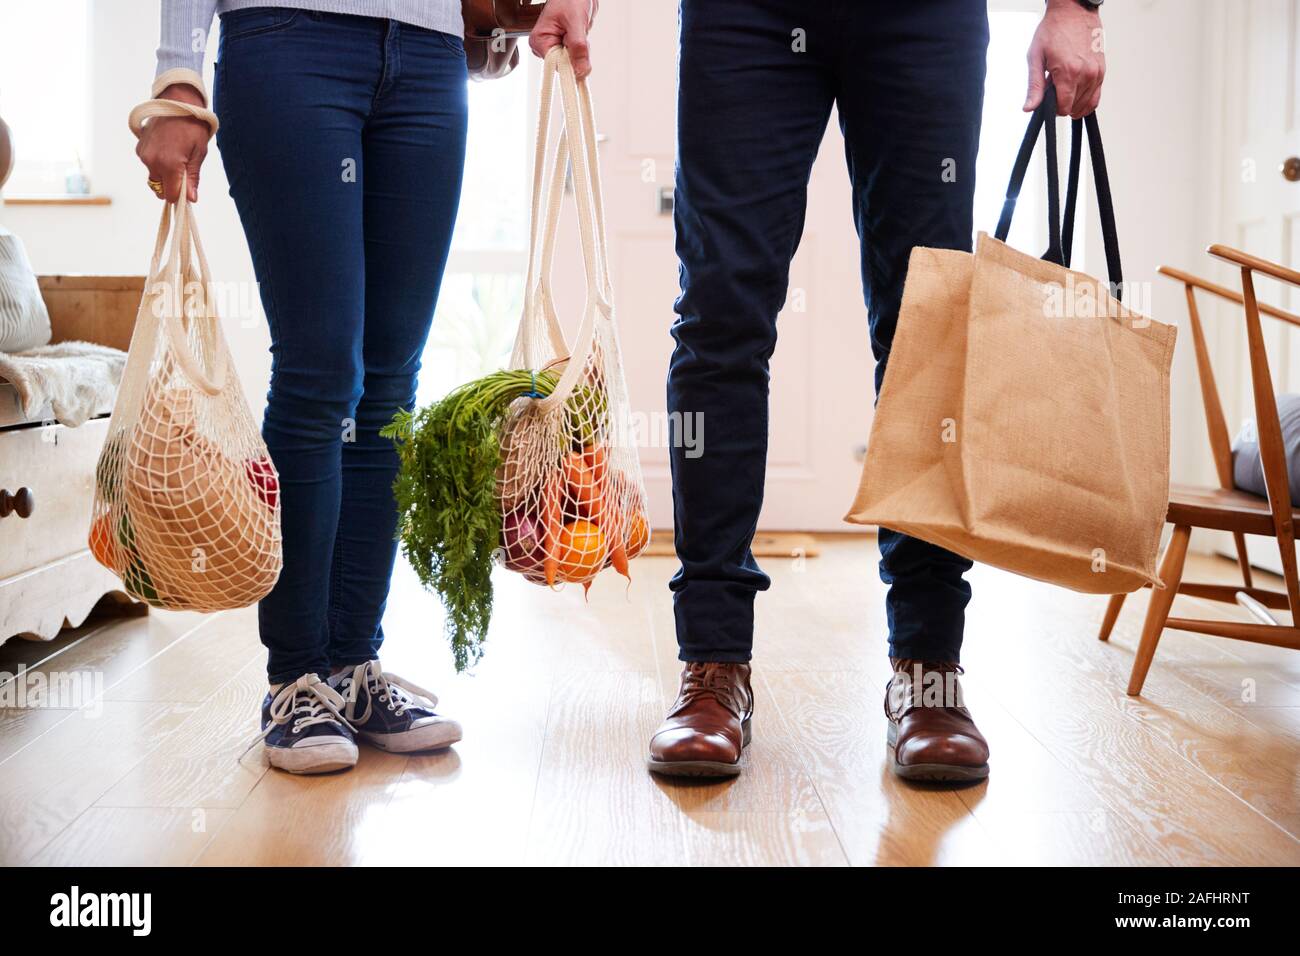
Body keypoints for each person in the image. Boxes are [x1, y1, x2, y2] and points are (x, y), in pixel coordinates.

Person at [649, 0, 1107, 780]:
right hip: (742, 14)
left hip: (924, 19)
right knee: (718, 315)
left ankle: (929, 668)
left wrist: (1074, 5)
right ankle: (713, 666)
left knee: (926, 324)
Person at [136, 0, 595, 775]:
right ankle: (297, 677)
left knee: (388, 385)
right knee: (321, 374)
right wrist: (177, 70)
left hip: (428, 51)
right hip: (288, 37)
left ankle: (353, 664)